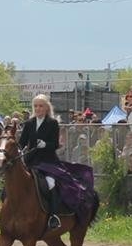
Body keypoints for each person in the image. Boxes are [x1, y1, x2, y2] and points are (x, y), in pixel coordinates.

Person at [17, 94, 99, 231]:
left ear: (46, 108)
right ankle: (5, 214)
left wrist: (46, 144)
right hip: (31, 161)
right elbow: (22, 142)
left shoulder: (52, 123)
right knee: (13, 181)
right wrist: (18, 151)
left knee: (51, 183)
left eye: (41, 106)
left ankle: (53, 216)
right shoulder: (29, 124)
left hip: (48, 161)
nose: (38, 108)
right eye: (36, 106)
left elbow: (55, 144)